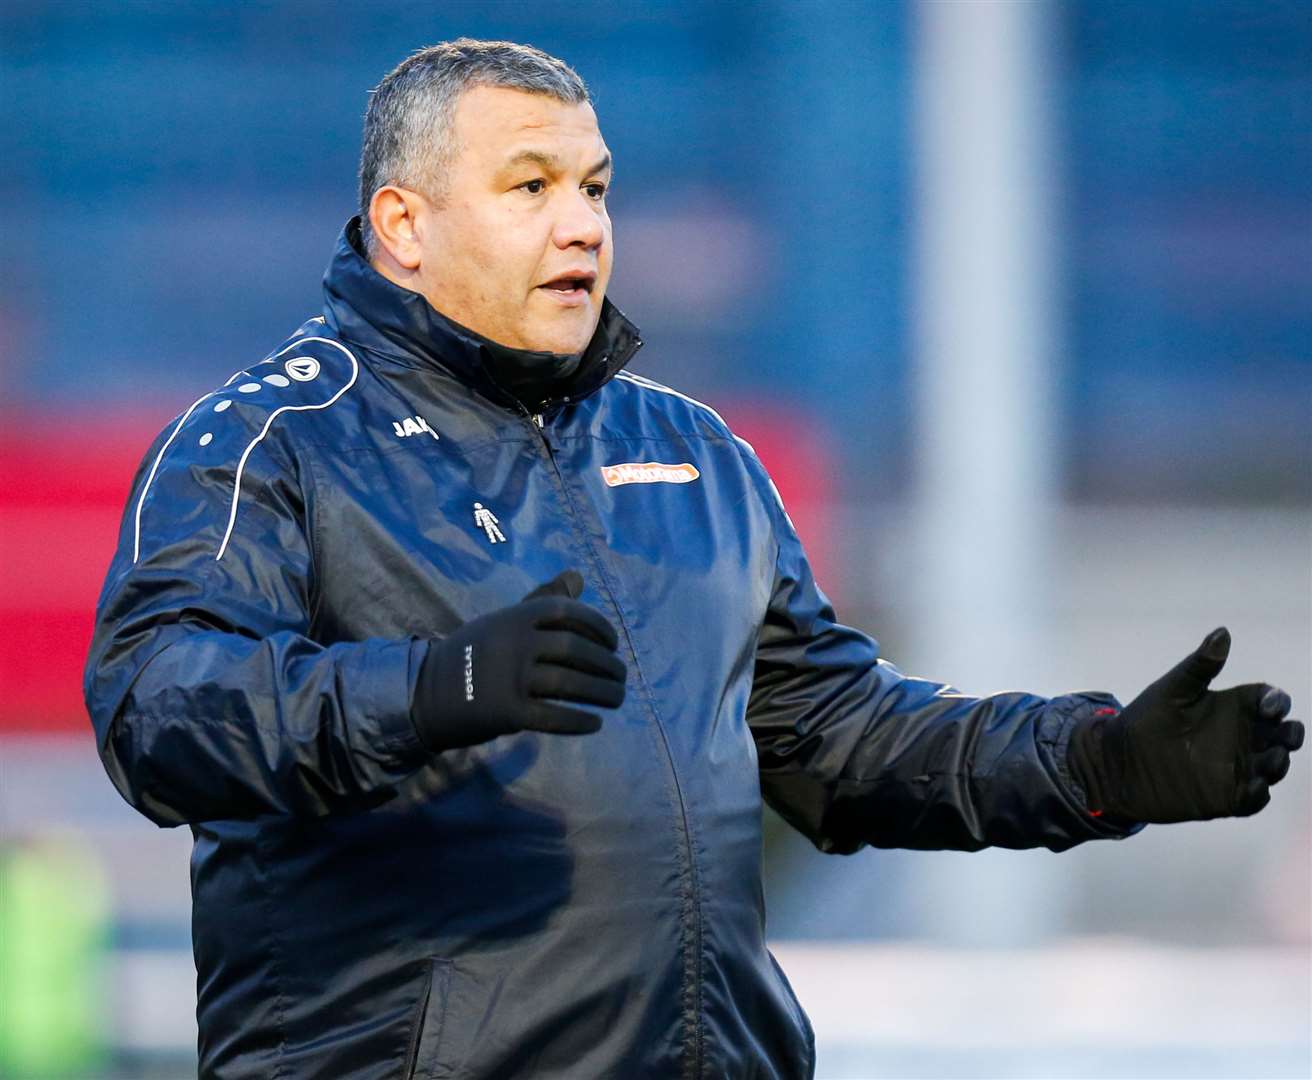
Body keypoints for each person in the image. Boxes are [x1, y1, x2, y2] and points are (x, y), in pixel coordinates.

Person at [84, 38, 1303, 1080]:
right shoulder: (269, 442)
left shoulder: (692, 451)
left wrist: (1094, 765)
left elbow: (839, 740)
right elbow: (157, 711)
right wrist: (429, 686)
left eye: (596, 187)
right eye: (528, 186)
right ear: (406, 223)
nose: (581, 224)